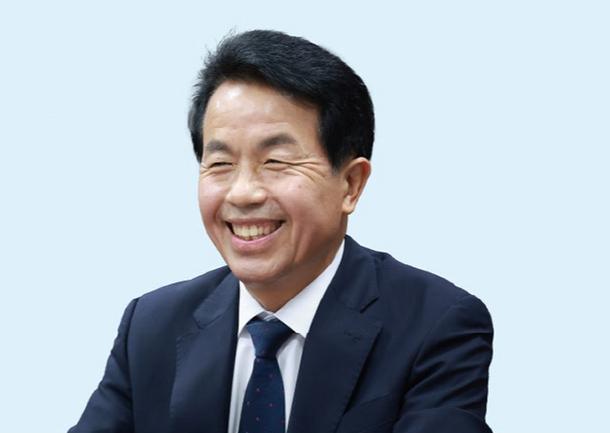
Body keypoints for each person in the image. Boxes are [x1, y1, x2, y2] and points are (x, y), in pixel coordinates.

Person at [69, 30, 494, 433]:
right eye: (220, 164)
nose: (243, 192)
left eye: (276, 162)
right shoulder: (151, 326)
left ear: (350, 184)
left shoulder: (437, 325)